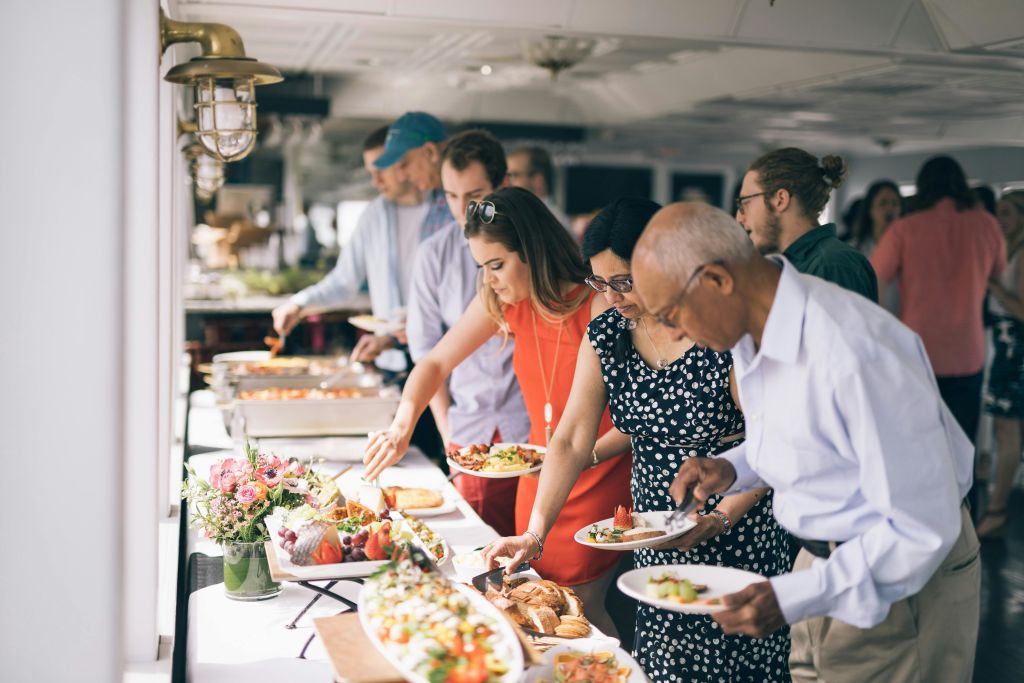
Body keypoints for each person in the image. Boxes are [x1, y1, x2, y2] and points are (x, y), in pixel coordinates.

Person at [634, 202, 980, 683]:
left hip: (902, 580)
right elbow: (813, 438)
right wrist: (731, 467)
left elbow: (922, 524)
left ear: (717, 280)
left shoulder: (853, 348)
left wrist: (795, 595)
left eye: (671, 314)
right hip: (822, 564)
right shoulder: (752, 333)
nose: (673, 333)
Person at [484, 198, 792, 681]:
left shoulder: (717, 331)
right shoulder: (607, 333)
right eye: (600, 284)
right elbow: (568, 440)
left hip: (737, 534)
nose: (612, 297)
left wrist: (722, 515)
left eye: (624, 282)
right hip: (657, 539)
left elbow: (777, 441)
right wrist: (534, 533)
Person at [364, 187, 632, 634]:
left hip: (597, 484)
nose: (489, 279)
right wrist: (401, 425)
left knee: (581, 618)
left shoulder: (600, 305)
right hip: (539, 488)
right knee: (536, 612)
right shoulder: (508, 302)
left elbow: (640, 421)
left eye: (497, 264)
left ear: (532, 251)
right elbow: (433, 362)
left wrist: (583, 457)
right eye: (482, 268)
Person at [406, 129, 530, 536]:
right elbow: (428, 356)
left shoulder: (532, 249)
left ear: (503, 186)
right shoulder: (432, 255)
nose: (462, 210)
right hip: (470, 431)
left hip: (534, 432)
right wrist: (449, 439)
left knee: (539, 557)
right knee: (480, 553)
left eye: (474, 196)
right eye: (451, 196)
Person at [871, 157, 1005, 459]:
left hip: (917, 351)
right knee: (962, 448)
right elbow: (998, 272)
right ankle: (966, 506)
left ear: (923, 187)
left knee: (919, 448)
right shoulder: (986, 225)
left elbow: (874, 276)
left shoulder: (905, 228)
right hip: (968, 352)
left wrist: (884, 328)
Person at [271, 125, 424, 368]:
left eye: (381, 169)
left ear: (404, 163)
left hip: (444, 358)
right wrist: (299, 304)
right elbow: (344, 282)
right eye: (370, 172)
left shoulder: (448, 212)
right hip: (393, 358)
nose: (375, 181)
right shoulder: (373, 216)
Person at [736, 147, 877, 302]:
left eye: (745, 203)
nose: (739, 218)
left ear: (780, 200)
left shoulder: (832, 265)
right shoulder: (789, 264)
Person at [979, 190, 1024, 538]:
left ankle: (996, 510)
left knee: (1007, 431)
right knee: (1003, 429)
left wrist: (992, 287)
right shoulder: (1006, 250)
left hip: (1014, 348)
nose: (1000, 219)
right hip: (1006, 345)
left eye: (1007, 213)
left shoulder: (1022, 254)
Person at [374, 111, 453, 238]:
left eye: (404, 165)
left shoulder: (469, 204)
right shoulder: (434, 202)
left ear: (430, 152)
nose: (402, 177)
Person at [507, 145, 571, 231]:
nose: (507, 182)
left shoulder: (546, 221)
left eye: (514, 175)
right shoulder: (529, 216)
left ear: (538, 180)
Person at [849, 179, 902, 257]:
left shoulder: (908, 245)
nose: (890, 208)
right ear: (870, 209)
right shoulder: (853, 249)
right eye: (883, 203)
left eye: (895, 203)